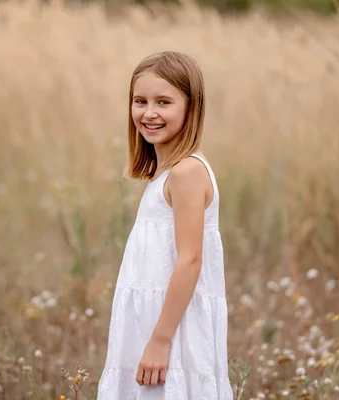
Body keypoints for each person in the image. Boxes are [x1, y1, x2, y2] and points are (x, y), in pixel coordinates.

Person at [96, 51, 233, 400]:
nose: (149, 113)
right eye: (140, 101)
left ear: (191, 107)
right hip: (152, 319)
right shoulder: (165, 174)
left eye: (164, 102)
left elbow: (190, 260)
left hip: (172, 328)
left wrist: (159, 341)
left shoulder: (187, 172)